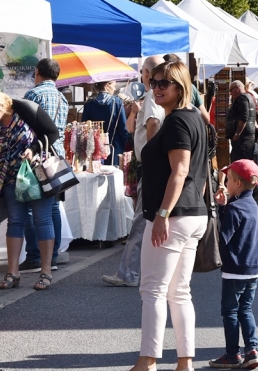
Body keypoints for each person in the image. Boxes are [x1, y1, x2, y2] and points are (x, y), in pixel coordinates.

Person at [132, 59, 210, 371]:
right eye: (154, 82)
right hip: (190, 213)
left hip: (175, 214)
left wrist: (163, 214)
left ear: (181, 87)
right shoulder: (192, 118)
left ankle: (148, 360)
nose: (157, 88)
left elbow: (180, 172)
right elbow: (199, 173)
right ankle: (184, 362)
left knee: (153, 289)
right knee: (178, 292)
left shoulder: (178, 121)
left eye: (165, 83)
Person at [0, 88, 58, 291]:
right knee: (15, 222)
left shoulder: (24, 108)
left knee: (42, 220)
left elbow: (52, 132)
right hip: (10, 179)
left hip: (38, 175)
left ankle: (46, 271)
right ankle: (13, 272)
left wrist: (34, 148)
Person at [103, 55, 166, 288]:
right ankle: (144, 271)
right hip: (154, 165)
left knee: (141, 220)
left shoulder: (151, 97)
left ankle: (129, 272)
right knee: (149, 219)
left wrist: (151, 156)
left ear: (147, 73)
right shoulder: (161, 96)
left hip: (150, 166)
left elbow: (153, 125)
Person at [209, 159, 258, 370]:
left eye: (229, 180)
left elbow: (224, 238)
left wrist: (221, 210)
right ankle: (252, 349)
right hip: (253, 268)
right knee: (246, 309)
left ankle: (233, 354)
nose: (226, 184)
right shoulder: (251, 205)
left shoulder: (234, 209)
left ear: (238, 184)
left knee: (230, 311)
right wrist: (225, 206)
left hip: (234, 269)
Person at [21, 58, 69, 272]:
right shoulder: (62, 97)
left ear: (37, 72)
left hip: (37, 154)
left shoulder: (33, 95)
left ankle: (34, 256)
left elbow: (25, 127)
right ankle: (53, 255)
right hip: (57, 155)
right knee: (54, 207)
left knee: (34, 206)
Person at [82, 80, 128, 164]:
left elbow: (84, 130)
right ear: (107, 86)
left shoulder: (89, 104)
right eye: (114, 86)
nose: (114, 89)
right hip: (114, 148)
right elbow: (123, 129)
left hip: (94, 149)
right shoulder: (117, 102)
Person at [226, 81, 257, 164]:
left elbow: (244, 117)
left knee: (240, 163)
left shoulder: (242, 98)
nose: (230, 93)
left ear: (237, 88)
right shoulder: (248, 97)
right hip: (246, 137)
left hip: (243, 139)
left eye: (231, 90)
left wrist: (237, 134)